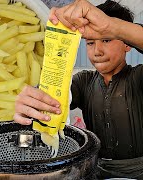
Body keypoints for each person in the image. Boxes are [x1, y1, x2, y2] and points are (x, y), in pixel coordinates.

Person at [14, 0, 143, 179]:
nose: (97, 51)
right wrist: (32, 102)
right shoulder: (84, 81)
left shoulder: (138, 77)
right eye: (90, 43)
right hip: (93, 170)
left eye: (106, 39)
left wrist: (113, 26)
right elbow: (53, 98)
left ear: (127, 43)